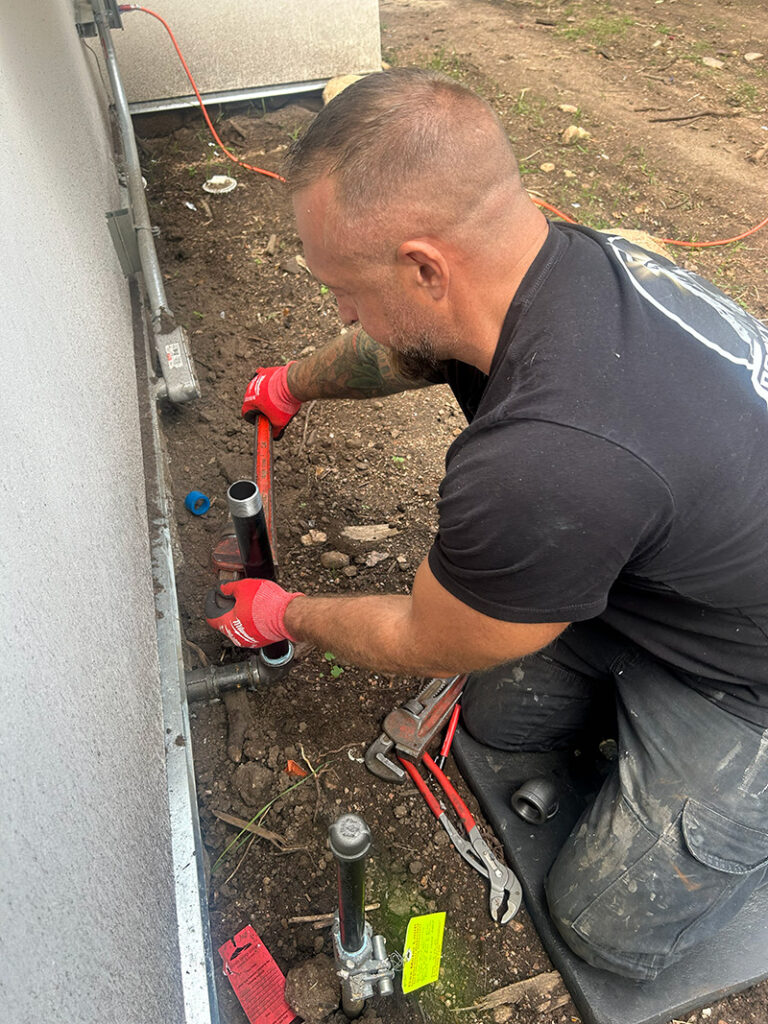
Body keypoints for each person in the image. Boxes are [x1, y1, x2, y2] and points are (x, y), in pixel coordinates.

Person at [207, 68, 768, 981]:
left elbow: (428, 634)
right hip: (689, 573)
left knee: (604, 931)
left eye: (344, 286)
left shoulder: (546, 459)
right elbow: (396, 346)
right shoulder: (560, 262)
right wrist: (292, 382)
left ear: (426, 267)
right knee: (499, 724)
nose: (340, 309)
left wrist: (285, 614)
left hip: (753, 680)